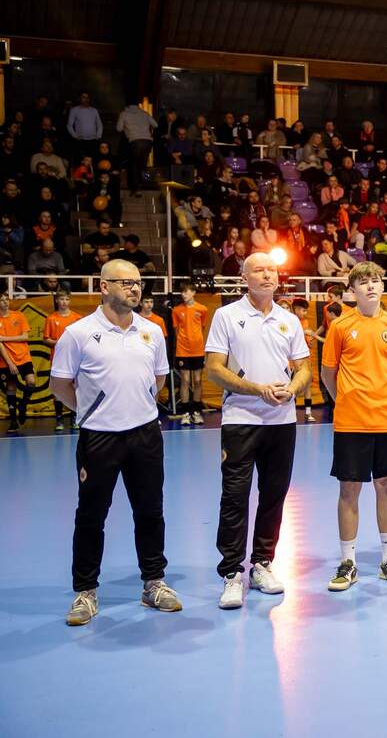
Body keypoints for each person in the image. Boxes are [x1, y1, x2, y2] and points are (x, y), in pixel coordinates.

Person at [51, 260, 180, 626]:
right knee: (91, 516)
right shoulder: (78, 333)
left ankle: (153, 583)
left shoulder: (152, 331)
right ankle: (85, 591)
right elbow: (60, 386)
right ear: (103, 286)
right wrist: (93, 411)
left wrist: (135, 405)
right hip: (99, 438)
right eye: (126, 282)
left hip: (145, 435)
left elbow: (158, 380)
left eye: (138, 282)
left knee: (150, 511)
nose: (135, 288)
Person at [205, 253, 312, 609]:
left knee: (274, 495)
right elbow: (214, 369)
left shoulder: (288, 320)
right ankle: (232, 573)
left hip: (281, 422)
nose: (267, 275)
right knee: (234, 497)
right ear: (244, 277)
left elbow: (304, 369)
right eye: (259, 270)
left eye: (272, 270)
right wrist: (256, 389)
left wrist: (291, 389)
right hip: (240, 420)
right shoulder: (226, 316)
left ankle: (262, 564)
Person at [321, 262, 387, 591]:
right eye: (363, 283)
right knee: (349, 490)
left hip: (386, 419)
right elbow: (328, 374)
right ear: (352, 291)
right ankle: (348, 562)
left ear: (382, 286)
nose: (371, 286)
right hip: (351, 422)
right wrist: (346, 401)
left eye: (375, 280)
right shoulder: (340, 326)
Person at [42, 291, 82, 431]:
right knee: (59, 387)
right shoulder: (51, 318)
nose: (64, 302)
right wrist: (60, 343)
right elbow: (46, 339)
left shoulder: (77, 318)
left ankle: (75, 417)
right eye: (61, 299)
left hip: (75, 359)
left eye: (67, 299)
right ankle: (59, 419)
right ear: (56, 301)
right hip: (58, 359)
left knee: (75, 387)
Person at [171, 282, 209, 425]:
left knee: (198, 380)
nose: (183, 294)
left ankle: (197, 412)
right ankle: (186, 413)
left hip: (198, 350)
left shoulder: (203, 309)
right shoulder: (176, 310)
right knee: (185, 381)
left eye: (186, 292)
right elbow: (176, 330)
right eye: (182, 292)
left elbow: (202, 327)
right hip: (182, 350)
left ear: (193, 292)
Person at [0, 290, 36, 434]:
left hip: (23, 357)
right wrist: (10, 363)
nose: (5, 302)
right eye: (1, 300)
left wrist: (5, 338)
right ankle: (13, 421)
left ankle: (23, 404)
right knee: (11, 388)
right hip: (6, 360)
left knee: (31, 382)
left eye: (6, 299)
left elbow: (25, 337)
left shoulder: (19, 315)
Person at [290, 297, 318, 422]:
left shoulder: (305, 322)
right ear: (296, 309)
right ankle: (292, 412)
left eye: (306, 311)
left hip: (305, 359)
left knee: (307, 385)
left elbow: (307, 341)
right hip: (292, 361)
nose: (305, 313)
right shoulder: (289, 321)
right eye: (303, 310)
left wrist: (310, 339)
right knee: (292, 385)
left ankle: (308, 412)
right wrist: (304, 332)